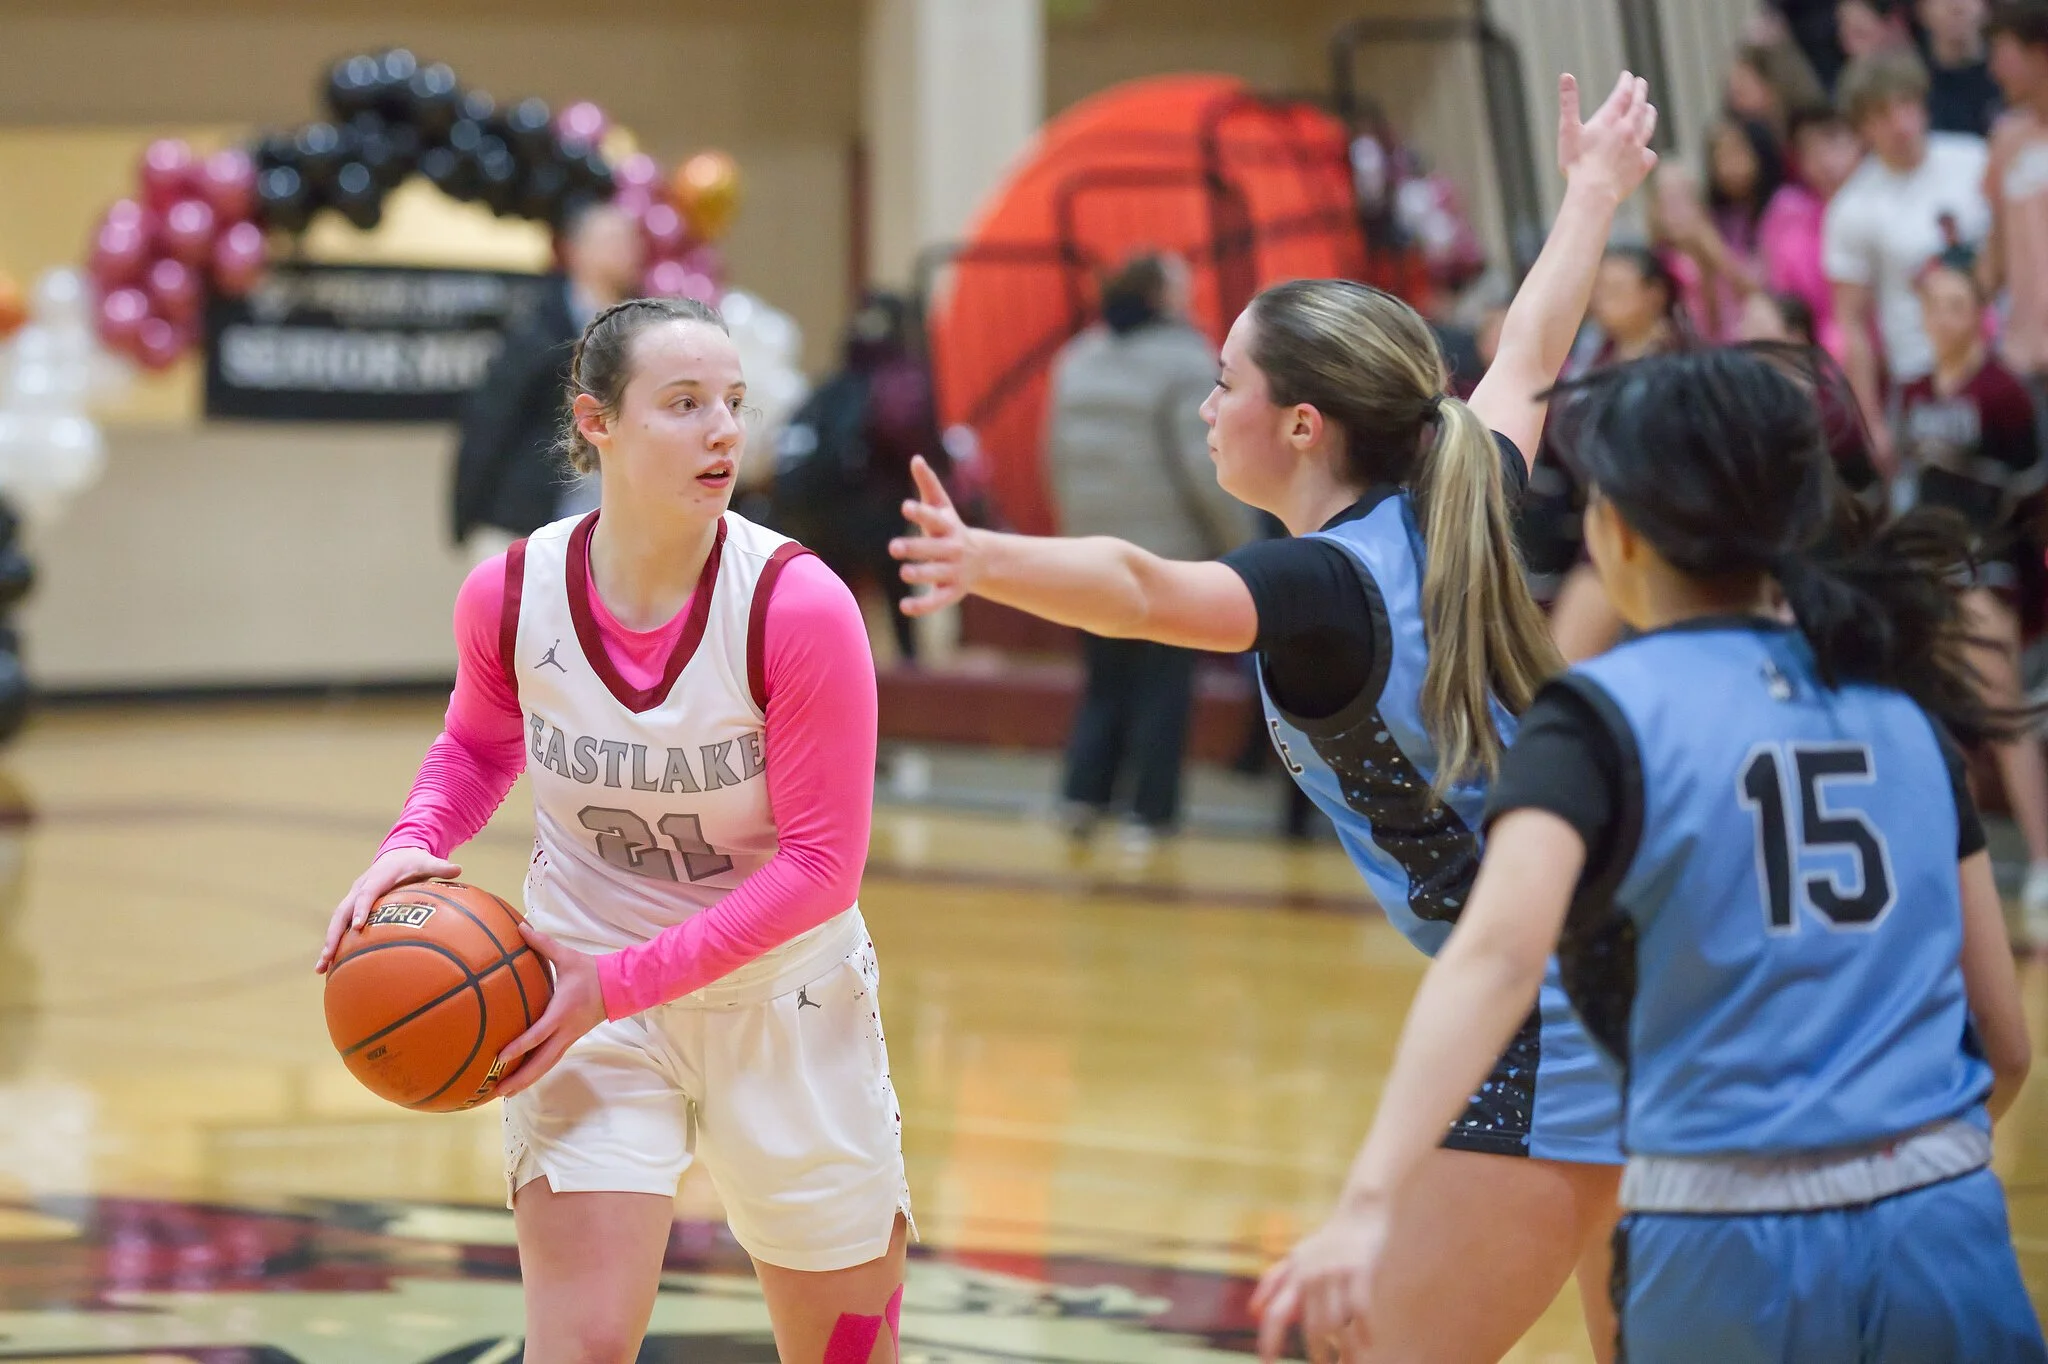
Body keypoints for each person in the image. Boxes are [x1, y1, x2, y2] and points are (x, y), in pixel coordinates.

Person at [895, 71, 1661, 1364]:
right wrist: (1589, 189)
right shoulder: (1456, 497)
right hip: (1622, 978)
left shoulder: (1319, 584)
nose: (1207, 406)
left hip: (1551, 1011)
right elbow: (1528, 351)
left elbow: (1142, 589)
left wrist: (985, 559)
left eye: (1224, 381)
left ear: (1300, 426)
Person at [1252, 346, 2040, 1364]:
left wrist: (1365, 1201)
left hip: (1723, 1233)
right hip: (1945, 1225)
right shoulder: (1903, 717)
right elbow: (2003, 1041)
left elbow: (1496, 959)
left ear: (1614, 532)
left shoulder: (1599, 719)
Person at [319, 297, 911, 1364]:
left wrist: (622, 980)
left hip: (780, 997)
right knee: (579, 1344)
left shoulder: (795, 603)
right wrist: (413, 837)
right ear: (595, 421)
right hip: (583, 998)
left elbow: (822, 868)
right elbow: (476, 745)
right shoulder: (511, 591)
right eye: (683, 404)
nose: (723, 430)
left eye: (732, 403)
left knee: (842, 1352)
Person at [1043, 253, 1249, 841]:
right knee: (1164, 685)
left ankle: (1082, 798)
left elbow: (1050, 460)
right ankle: (1149, 812)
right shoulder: (1187, 363)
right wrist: (1239, 545)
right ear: (1162, 297)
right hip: (1167, 552)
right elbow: (1204, 466)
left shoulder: (1076, 358)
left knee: (1104, 679)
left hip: (1088, 548)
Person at [1895, 242, 2048, 941]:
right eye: (1935, 304)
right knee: (1938, 725)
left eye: (1959, 304)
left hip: (1988, 571)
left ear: (1980, 316)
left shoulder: (2002, 391)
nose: (1945, 315)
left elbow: (2030, 494)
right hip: (1927, 576)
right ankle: (1961, 870)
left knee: (2004, 717)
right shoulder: (1914, 390)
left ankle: (2043, 866)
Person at [453, 203, 647, 563]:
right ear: (575, 251)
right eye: (613, 240)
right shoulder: (538, 327)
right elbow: (490, 421)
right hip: (527, 519)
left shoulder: (644, 330)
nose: (628, 250)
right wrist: (468, 516)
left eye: (632, 240)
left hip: (609, 525)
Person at [1826, 47, 1991, 465]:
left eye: (1906, 104)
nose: (1900, 123)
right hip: (1922, 377)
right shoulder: (1852, 207)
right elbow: (1853, 326)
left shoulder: (1974, 160)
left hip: (1995, 360)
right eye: (1881, 114)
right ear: (1862, 127)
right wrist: (1872, 421)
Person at [1523, 246, 1686, 662]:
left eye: (1616, 287)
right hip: (1595, 528)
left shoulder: (1683, 360)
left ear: (1655, 294)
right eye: (1598, 288)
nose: (1602, 298)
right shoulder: (1590, 357)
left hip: (1662, 532)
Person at [773, 292, 943, 665]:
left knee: (836, 607)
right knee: (898, 596)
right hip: (876, 515)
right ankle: (909, 671)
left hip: (821, 513)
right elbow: (914, 442)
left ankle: (837, 668)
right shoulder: (899, 383)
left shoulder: (830, 387)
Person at [1759, 106, 1869, 361]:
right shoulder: (1785, 211)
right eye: (1811, 151)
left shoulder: (1878, 202)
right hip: (1808, 355)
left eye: (1834, 144)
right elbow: (1778, 295)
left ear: (1860, 143)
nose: (1825, 161)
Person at [1985, 1, 2048, 390]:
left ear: (2040, 53)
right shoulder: (2006, 139)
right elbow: (1996, 250)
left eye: (2002, 54)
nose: (1993, 69)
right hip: (2023, 355)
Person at [1922, 0, 2006, 134]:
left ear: (1987, 8)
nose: (1957, 7)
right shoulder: (1908, 81)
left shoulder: (2009, 76)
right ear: (1922, 9)